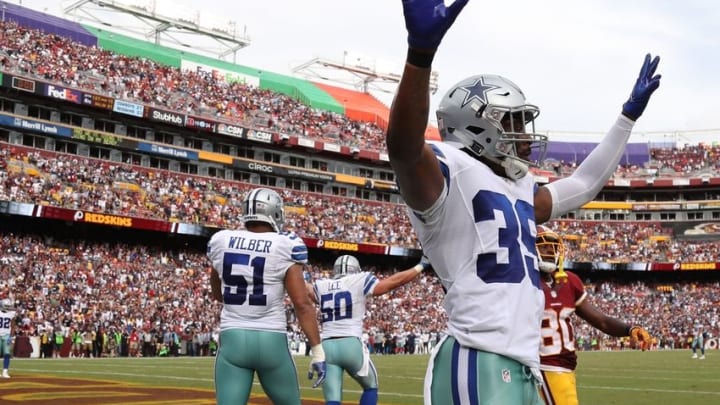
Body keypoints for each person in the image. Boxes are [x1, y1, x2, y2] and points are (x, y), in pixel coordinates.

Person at [386, 1, 661, 403]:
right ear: (475, 124)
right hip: (477, 357)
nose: (525, 135)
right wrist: (420, 56)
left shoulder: (517, 187)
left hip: (524, 363)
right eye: (512, 122)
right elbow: (404, 149)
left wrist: (626, 119)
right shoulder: (450, 169)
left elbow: (584, 184)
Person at [207, 187, 326, 405]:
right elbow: (301, 304)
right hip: (271, 338)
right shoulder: (285, 244)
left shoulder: (220, 241)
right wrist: (317, 350)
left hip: (233, 337)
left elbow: (218, 293)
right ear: (275, 213)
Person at [535, 225, 651, 405]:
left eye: (552, 245)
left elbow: (601, 321)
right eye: (543, 246)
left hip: (566, 368)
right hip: (544, 367)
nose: (550, 250)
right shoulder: (524, 282)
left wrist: (630, 329)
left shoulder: (569, 281)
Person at [309, 254, 431, 405]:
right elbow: (391, 283)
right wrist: (420, 267)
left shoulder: (321, 284)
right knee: (371, 387)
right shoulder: (359, 279)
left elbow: (303, 291)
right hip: (350, 344)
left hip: (327, 346)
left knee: (332, 399)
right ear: (356, 269)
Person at [0, 298, 16, 378]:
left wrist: (11, 336)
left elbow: (13, 326)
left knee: (7, 354)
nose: (8, 308)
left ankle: (5, 371)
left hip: (6, 335)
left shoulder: (11, 314)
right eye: (6, 306)